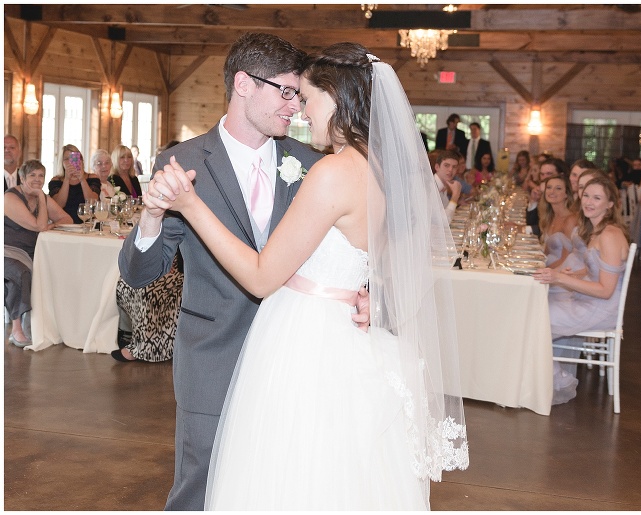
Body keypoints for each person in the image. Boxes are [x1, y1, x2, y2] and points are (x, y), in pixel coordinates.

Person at [149, 42, 468, 509]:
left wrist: (190, 205)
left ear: (335, 98)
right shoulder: (381, 170)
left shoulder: (331, 172)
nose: (301, 110)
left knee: (287, 476)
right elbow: (390, 259)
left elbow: (262, 278)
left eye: (308, 97)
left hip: (304, 346)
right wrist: (370, 295)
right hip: (343, 338)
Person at [118, 33, 367, 510]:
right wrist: (150, 216)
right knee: (199, 490)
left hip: (300, 362)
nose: (295, 107)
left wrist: (368, 292)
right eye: (286, 92)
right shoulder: (183, 162)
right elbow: (140, 273)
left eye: (300, 95)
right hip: (214, 356)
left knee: (280, 490)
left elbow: (353, 240)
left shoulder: (312, 162)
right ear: (244, 84)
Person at [533, 173, 630, 405]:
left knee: (534, 319)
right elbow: (594, 269)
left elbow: (606, 290)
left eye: (597, 198)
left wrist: (560, 278)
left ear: (610, 204)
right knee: (533, 309)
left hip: (600, 308)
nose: (588, 202)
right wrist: (571, 276)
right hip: (586, 301)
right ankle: (537, 380)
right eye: (586, 196)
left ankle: (557, 381)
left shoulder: (610, 235)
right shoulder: (597, 230)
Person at [5, 160, 72, 347]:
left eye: (41, 175)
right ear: (22, 178)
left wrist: (52, 224)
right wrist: (42, 198)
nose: (37, 179)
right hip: (8, 251)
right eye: (32, 175)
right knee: (21, 273)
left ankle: (52, 325)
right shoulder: (10, 198)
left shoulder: (40, 196)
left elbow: (66, 218)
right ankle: (16, 330)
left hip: (33, 252)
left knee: (59, 269)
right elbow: (39, 226)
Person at [48, 144, 100, 223]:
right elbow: (59, 205)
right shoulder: (56, 181)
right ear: (62, 162)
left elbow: (92, 203)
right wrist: (66, 179)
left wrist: (82, 179)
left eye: (74, 158)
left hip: (87, 224)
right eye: (66, 159)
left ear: (81, 160)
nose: (70, 162)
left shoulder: (92, 178)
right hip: (64, 225)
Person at [538, 175, 578, 270]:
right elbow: (546, 253)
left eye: (558, 188)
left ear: (566, 194)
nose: (552, 191)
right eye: (549, 187)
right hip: (547, 266)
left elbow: (566, 259)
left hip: (560, 271)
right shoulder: (549, 217)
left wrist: (544, 270)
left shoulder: (570, 220)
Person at [433, 149, 462, 222]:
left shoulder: (443, 185)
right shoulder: (431, 186)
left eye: (454, 167)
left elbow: (447, 214)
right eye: (446, 165)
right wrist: (455, 196)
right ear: (437, 167)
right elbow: (444, 221)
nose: (450, 170)